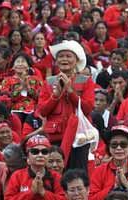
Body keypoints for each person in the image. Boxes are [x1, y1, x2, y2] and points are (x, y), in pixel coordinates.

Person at [37, 40, 94, 169]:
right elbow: (42, 111)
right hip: (55, 136)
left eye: (68, 56)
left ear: (76, 60)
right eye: (61, 56)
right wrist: (55, 96)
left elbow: (88, 108)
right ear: (56, 61)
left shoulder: (85, 81)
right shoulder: (49, 82)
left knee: (77, 173)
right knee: (55, 174)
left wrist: (70, 91)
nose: (64, 59)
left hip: (79, 137)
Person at [4, 134, 66, 200]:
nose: (40, 155)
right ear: (28, 156)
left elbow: (64, 198)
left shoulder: (56, 176)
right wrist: (31, 192)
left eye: (44, 152)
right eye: (35, 152)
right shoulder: (17, 176)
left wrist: (44, 192)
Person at [1, 52, 42, 121]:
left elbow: (39, 97)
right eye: (17, 62)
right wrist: (21, 87)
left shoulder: (36, 79)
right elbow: (7, 99)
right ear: (13, 66)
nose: (20, 64)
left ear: (28, 66)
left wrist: (28, 87)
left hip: (33, 111)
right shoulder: (7, 80)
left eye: (23, 61)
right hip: (14, 111)